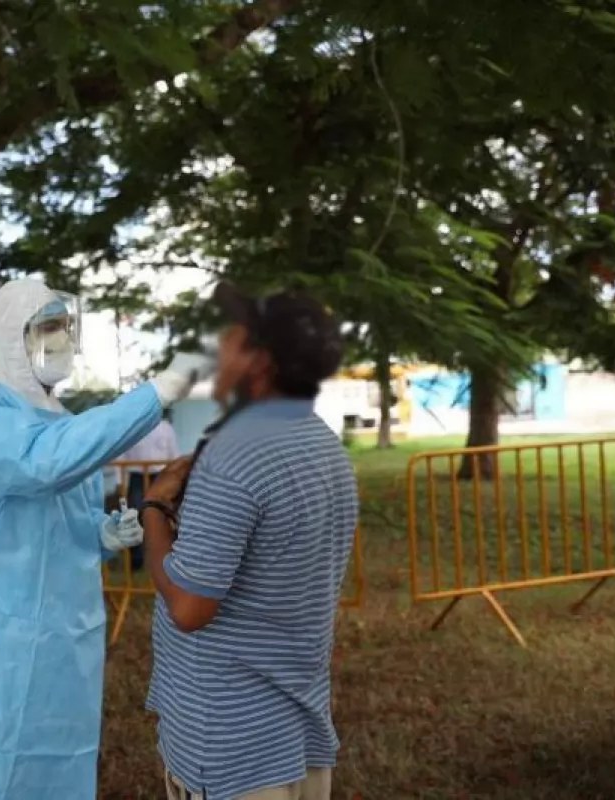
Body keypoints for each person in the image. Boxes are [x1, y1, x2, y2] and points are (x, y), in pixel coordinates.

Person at [0, 278, 210, 800]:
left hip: (66, 628)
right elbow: (38, 466)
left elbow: (66, 511)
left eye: (64, 326)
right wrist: (156, 393)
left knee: (57, 753)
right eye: (47, 327)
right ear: (9, 336)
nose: (60, 339)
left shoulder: (62, 421)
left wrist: (103, 534)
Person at [139, 282, 358, 800]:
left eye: (234, 336)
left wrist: (153, 511)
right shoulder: (324, 445)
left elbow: (191, 609)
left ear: (262, 361)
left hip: (228, 745)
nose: (221, 346)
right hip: (293, 732)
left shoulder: (234, 453)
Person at [119, 409, 182, 568]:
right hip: (137, 476)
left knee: (162, 516)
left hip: (160, 475)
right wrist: (121, 482)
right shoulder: (132, 427)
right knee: (135, 516)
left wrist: (176, 480)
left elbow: (174, 454)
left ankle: (164, 557)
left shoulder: (166, 427)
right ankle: (136, 560)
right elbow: (122, 455)